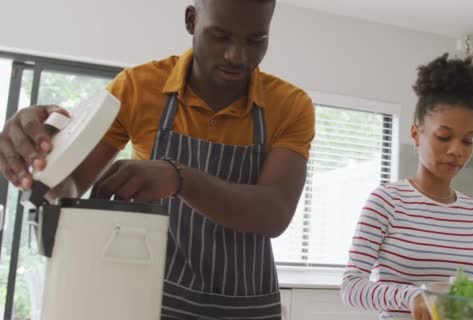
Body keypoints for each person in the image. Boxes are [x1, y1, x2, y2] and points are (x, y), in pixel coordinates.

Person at [0, 0, 315, 318]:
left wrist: (179, 178)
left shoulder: (290, 105)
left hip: (245, 305)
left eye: (255, 40)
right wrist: (45, 155)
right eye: (220, 36)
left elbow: (274, 212)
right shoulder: (138, 88)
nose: (237, 55)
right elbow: (66, 188)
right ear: (191, 21)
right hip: (150, 296)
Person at [340, 53, 473, 320]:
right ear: (416, 133)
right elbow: (352, 288)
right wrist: (417, 296)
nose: (456, 150)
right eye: (444, 137)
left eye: (467, 141)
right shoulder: (386, 202)